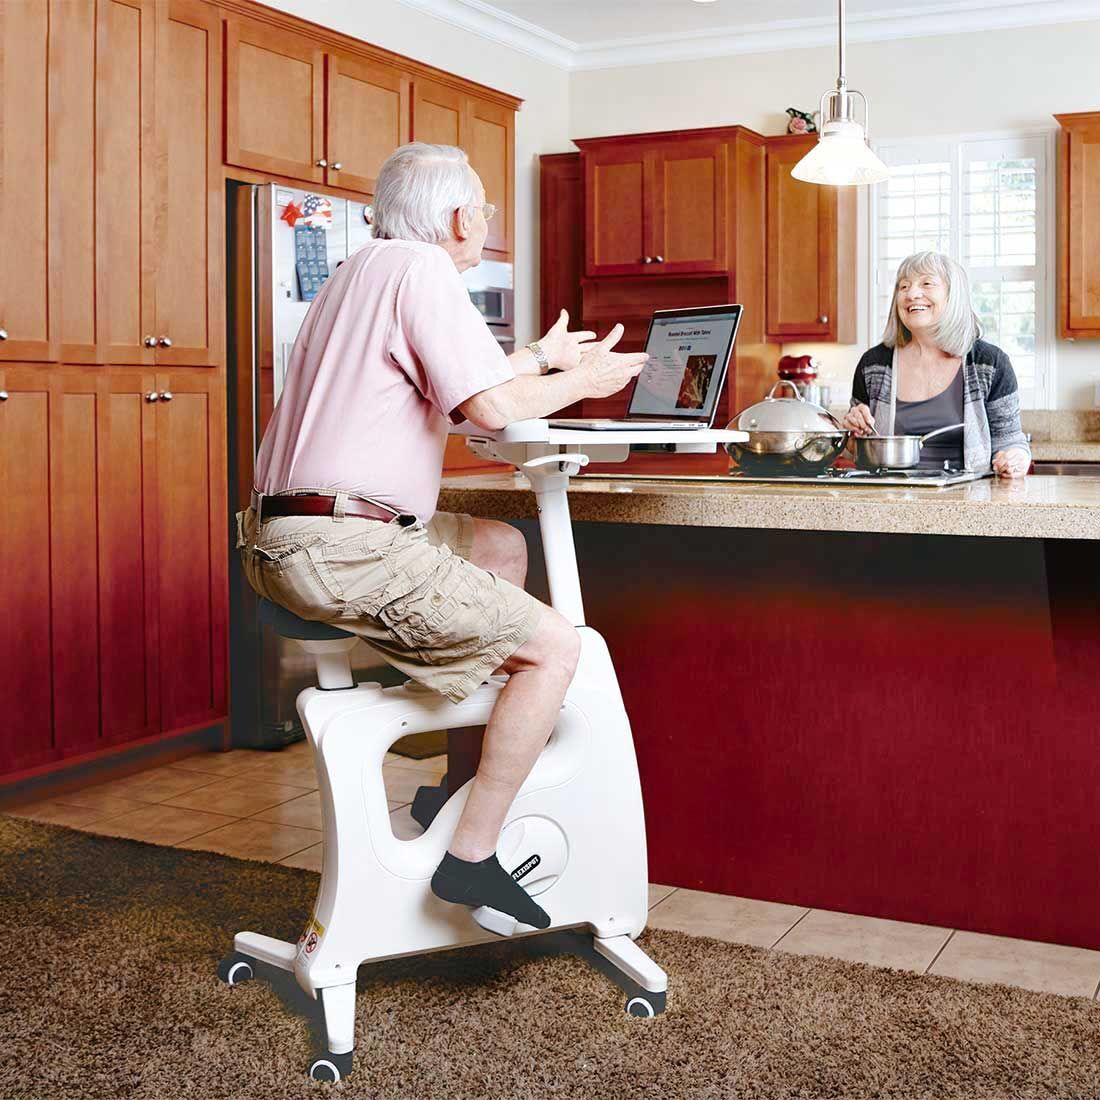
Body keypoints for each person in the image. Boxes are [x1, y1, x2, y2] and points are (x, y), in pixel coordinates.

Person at [235, 142, 647, 930]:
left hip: (282, 539)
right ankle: (472, 856)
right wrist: (583, 382)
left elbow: (462, 385)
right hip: (346, 550)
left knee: (498, 548)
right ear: (461, 217)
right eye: (484, 207)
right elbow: (490, 411)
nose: (486, 220)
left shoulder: (359, 272)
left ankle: (459, 785)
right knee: (557, 648)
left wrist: (540, 357)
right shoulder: (424, 272)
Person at [843, 251, 1031, 477]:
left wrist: (1014, 458)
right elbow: (857, 450)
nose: (911, 294)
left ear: (953, 295)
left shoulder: (989, 363)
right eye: (903, 287)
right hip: (892, 500)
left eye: (927, 283)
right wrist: (853, 435)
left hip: (969, 500)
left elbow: (1012, 442)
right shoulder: (874, 365)